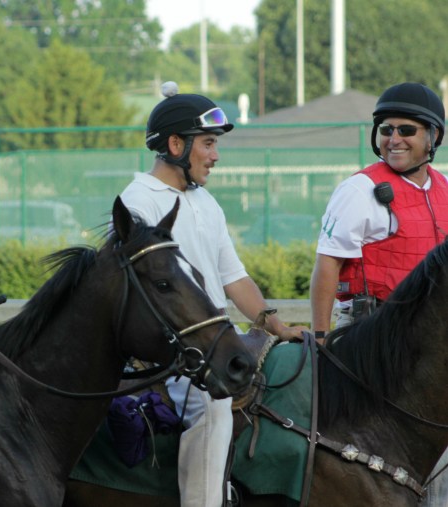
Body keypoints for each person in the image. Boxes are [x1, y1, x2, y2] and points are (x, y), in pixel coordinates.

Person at [119, 81, 306, 507]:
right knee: (213, 405)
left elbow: (234, 278)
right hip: (171, 352)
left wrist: (277, 327)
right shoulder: (137, 202)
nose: (216, 155)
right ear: (175, 145)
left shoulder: (207, 203)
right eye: (207, 143)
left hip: (215, 343)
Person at [310, 82, 448, 505]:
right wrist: (320, 339)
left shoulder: (445, 189)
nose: (394, 139)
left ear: (433, 137)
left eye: (406, 130)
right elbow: (327, 266)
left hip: (429, 348)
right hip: (370, 342)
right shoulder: (358, 191)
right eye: (386, 129)